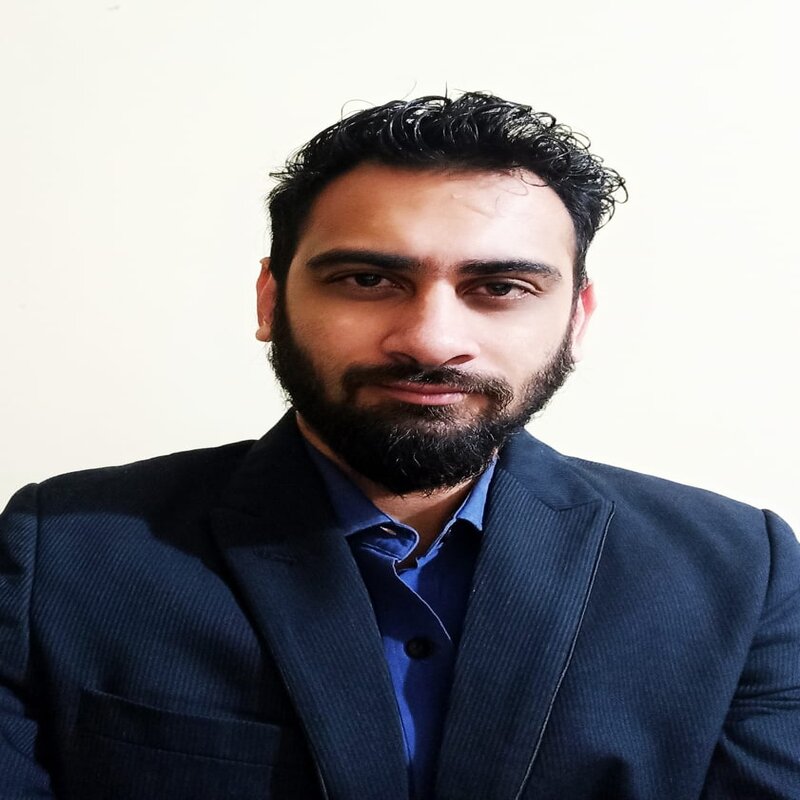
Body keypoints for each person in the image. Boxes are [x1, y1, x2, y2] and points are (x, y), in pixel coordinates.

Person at [0, 92, 798, 800]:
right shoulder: (63, 553)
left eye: (500, 288)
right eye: (367, 280)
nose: (431, 339)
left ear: (576, 319)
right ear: (271, 300)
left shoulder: (742, 574)